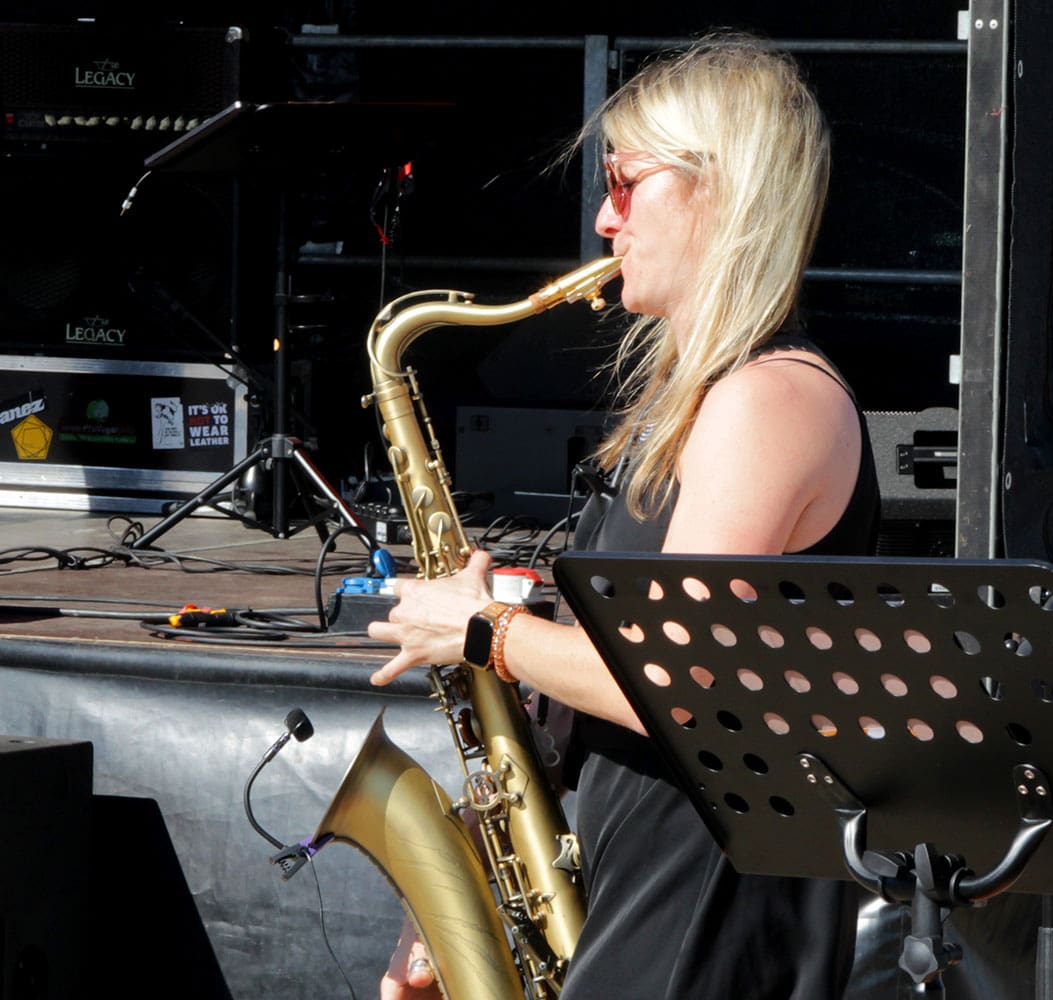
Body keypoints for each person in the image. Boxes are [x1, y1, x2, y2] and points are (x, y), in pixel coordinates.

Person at [367, 32, 880, 1000]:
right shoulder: (703, 402)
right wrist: (455, 886)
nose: (604, 220)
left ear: (718, 187)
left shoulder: (770, 398)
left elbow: (683, 688)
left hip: (710, 893)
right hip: (646, 870)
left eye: (624, 181)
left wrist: (483, 630)